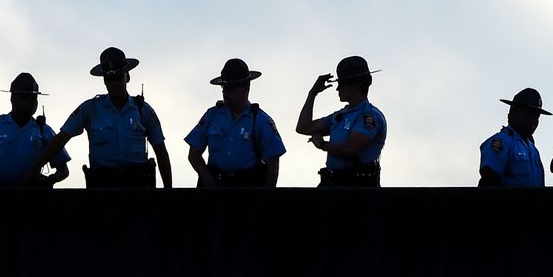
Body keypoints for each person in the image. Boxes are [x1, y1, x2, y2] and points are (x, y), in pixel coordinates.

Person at [24, 47, 172, 188]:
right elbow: (60, 139)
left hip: (138, 185)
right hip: (102, 187)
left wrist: (168, 190)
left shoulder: (144, 110)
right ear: (104, 80)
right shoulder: (89, 109)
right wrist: (33, 171)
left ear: (127, 77)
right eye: (109, 78)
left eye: (118, 77)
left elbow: (161, 151)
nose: (114, 83)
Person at [185, 59, 286, 187]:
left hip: (247, 191)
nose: (224, 91)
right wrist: (207, 177)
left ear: (245, 88)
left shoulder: (261, 121)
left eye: (230, 87)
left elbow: (273, 165)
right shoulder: (212, 116)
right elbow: (193, 154)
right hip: (215, 189)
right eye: (223, 86)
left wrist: (264, 199)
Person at [0, 73, 70, 188]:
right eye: (27, 98)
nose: (33, 102)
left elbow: (63, 170)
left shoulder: (44, 130)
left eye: (35, 98)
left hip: (32, 196)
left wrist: (48, 181)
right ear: (13, 98)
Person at [296, 56, 386, 187]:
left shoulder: (370, 116)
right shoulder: (340, 116)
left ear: (355, 85)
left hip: (357, 190)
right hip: (332, 185)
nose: (338, 88)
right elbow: (303, 127)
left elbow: (351, 150)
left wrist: (322, 145)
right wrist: (312, 93)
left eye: (342, 83)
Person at [478, 88, 552, 187]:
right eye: (530, 113)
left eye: (537, 116)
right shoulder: (502, 141)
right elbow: (488, 180)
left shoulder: (534, 150)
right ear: (515, 112)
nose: (534, 120)